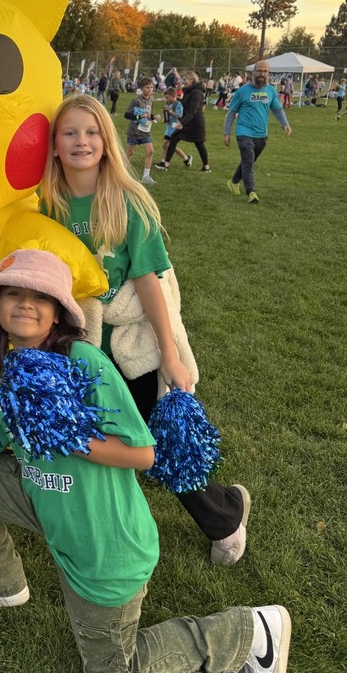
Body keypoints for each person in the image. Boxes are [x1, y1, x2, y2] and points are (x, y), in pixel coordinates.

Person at [0, 248, 291, 673]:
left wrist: (67, 435)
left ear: (58, 312)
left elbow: (143, 454)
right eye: (13, 293)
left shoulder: (85, 362)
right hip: (49, 505)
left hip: (104, 545)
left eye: (40, 296)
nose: (26, 303)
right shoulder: (5, 373)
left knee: (113, 672)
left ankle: (250, 631)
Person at [41, 94, 250, 565]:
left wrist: (170, 353)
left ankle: (226, 515)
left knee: (159, 434)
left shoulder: (127, 200)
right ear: (54, 145)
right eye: (70, 132)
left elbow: (149, 284)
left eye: (92, 132)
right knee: (90, 437)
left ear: (107, 141)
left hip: (129, 334)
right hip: (78, 338)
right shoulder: (45, 203)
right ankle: (97, 528)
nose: (82, 141)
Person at [224, 59, 291, 204]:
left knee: (248, 161)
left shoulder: (271, 91)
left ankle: (234, 182)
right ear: (253, 72)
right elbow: (231, 112)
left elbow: (277, 109)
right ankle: (251, 192)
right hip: (244, 132)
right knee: (249, 163)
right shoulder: (242, 92)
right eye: (260, 70)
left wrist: (284, 123)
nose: (262, 73)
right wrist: (227, 132)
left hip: (261, 134)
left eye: (265, 71)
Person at [154, 70, 210, 172]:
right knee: (174, 138)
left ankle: (206, 167)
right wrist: (176, 97)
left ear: (192, 79)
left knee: (199, 144)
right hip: (188, 120)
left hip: (195, 123)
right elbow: (184, 104)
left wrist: (181, 123)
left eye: (184, 79)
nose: (182, 81)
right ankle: (165, 164)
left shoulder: (197, 92)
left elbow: (193, 110)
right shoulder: (189, 91)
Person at [124, 78, 159, 185]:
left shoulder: (151, 99)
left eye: (151, 87)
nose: (150, 89)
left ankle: (146, 176)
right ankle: (121, 172)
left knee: (150, 151)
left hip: (145, 131)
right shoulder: (136, 100)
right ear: (141, 88)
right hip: (134, 131)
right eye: (147, 87)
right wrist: (139, 116)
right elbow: (127, 115)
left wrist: (154, 117)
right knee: (130, 152)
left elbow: (148, 114)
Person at [154, 86, 192, 170]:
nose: (165, 99)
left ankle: (165, 162)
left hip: (175, 128)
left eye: (167, 97)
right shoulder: (169, 104)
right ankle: (185, 159)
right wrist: (165, 119)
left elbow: (179, 115)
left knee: (167, 145)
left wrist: (170, 111)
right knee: (167, 146)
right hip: (169, 127)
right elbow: (168, 115)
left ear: (173, 96)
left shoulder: (178, 104)